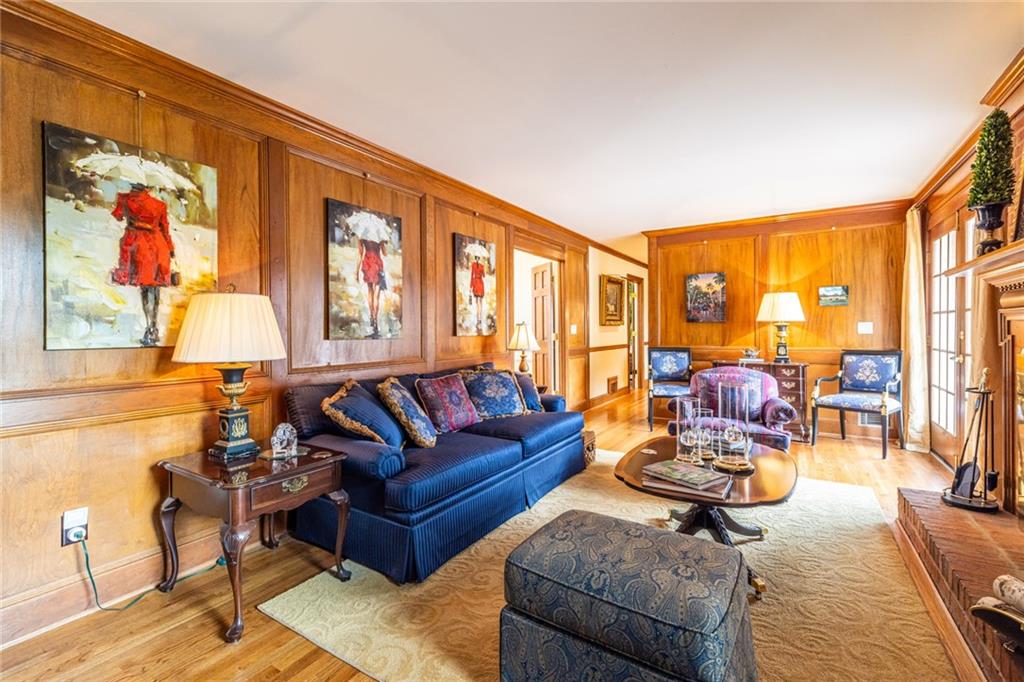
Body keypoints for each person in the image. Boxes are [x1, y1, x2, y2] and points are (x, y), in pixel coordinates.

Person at [110, 183, 174, 347]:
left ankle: (150, 327)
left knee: (145, 288)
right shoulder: (160, 205)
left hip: (138, 245)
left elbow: (117, 216)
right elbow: (165, 229)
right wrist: (171, 249)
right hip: (158, 246)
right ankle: (153, 327)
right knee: (155, 287)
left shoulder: (124, 199)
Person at [358, 237, 387, 337]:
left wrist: (356, 271)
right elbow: (385, 253)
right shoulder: (379, 236)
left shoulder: (362, 236)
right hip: (377, 264)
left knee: (370, 292)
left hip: (367, 263)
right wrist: (383, 243)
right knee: (376, 294)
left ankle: (371, 317)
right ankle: (375, 320)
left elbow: (360, 254)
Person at [470, 254, 486, 332]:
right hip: (480, 283)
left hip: (476, 283)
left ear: (475, 258)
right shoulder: (482, 266)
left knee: (477, 303)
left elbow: (472, 276)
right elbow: (484, 275)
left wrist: (471, 286)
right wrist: (483, 269)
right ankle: (480, 319)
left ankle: (478, 319)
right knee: (480, 302)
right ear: (479, 258)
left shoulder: (473, 265)